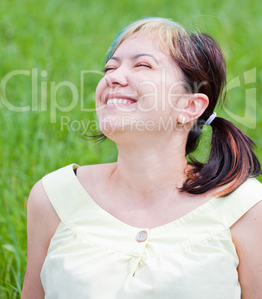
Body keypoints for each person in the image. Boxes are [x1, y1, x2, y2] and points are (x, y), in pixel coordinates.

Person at [22, 17, 262, 299]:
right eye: (110, 67)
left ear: (189, 106)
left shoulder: (245, 207)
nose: (112, 76)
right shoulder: (53, 197)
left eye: (142, 65)